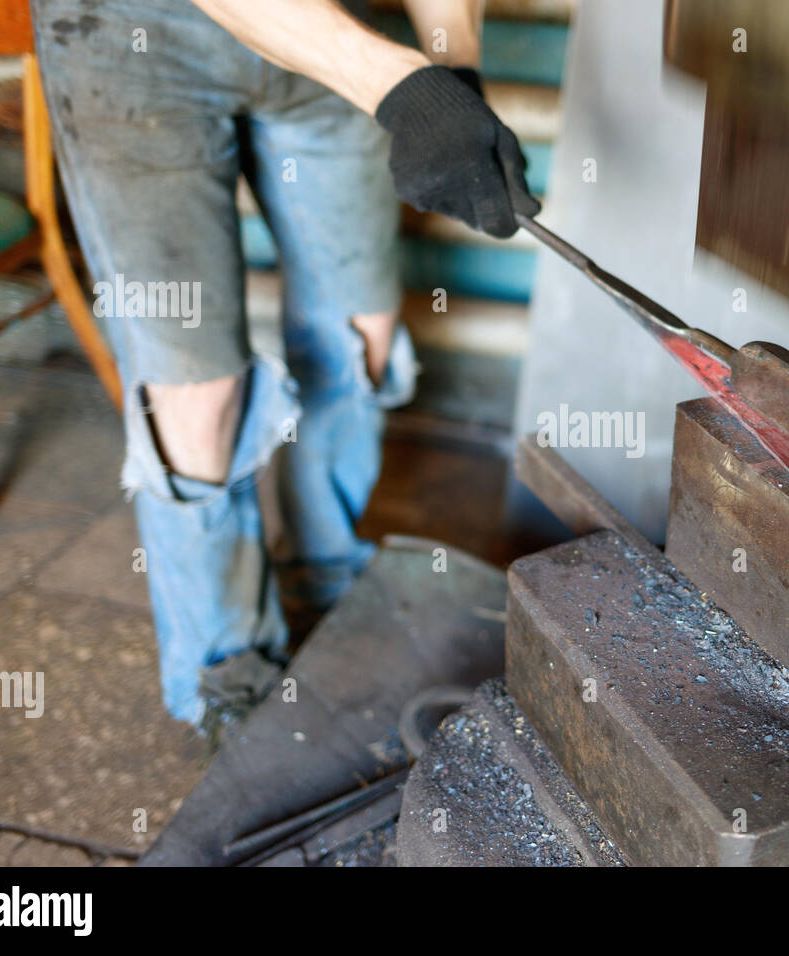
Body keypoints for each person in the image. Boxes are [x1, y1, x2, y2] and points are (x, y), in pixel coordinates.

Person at [29, 0, 539, 730]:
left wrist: (451, 66)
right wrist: (403, 85)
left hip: (347, 27)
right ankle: (225, 673)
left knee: (357, 334)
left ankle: (329, 578)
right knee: (198, 393)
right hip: (126, 37)